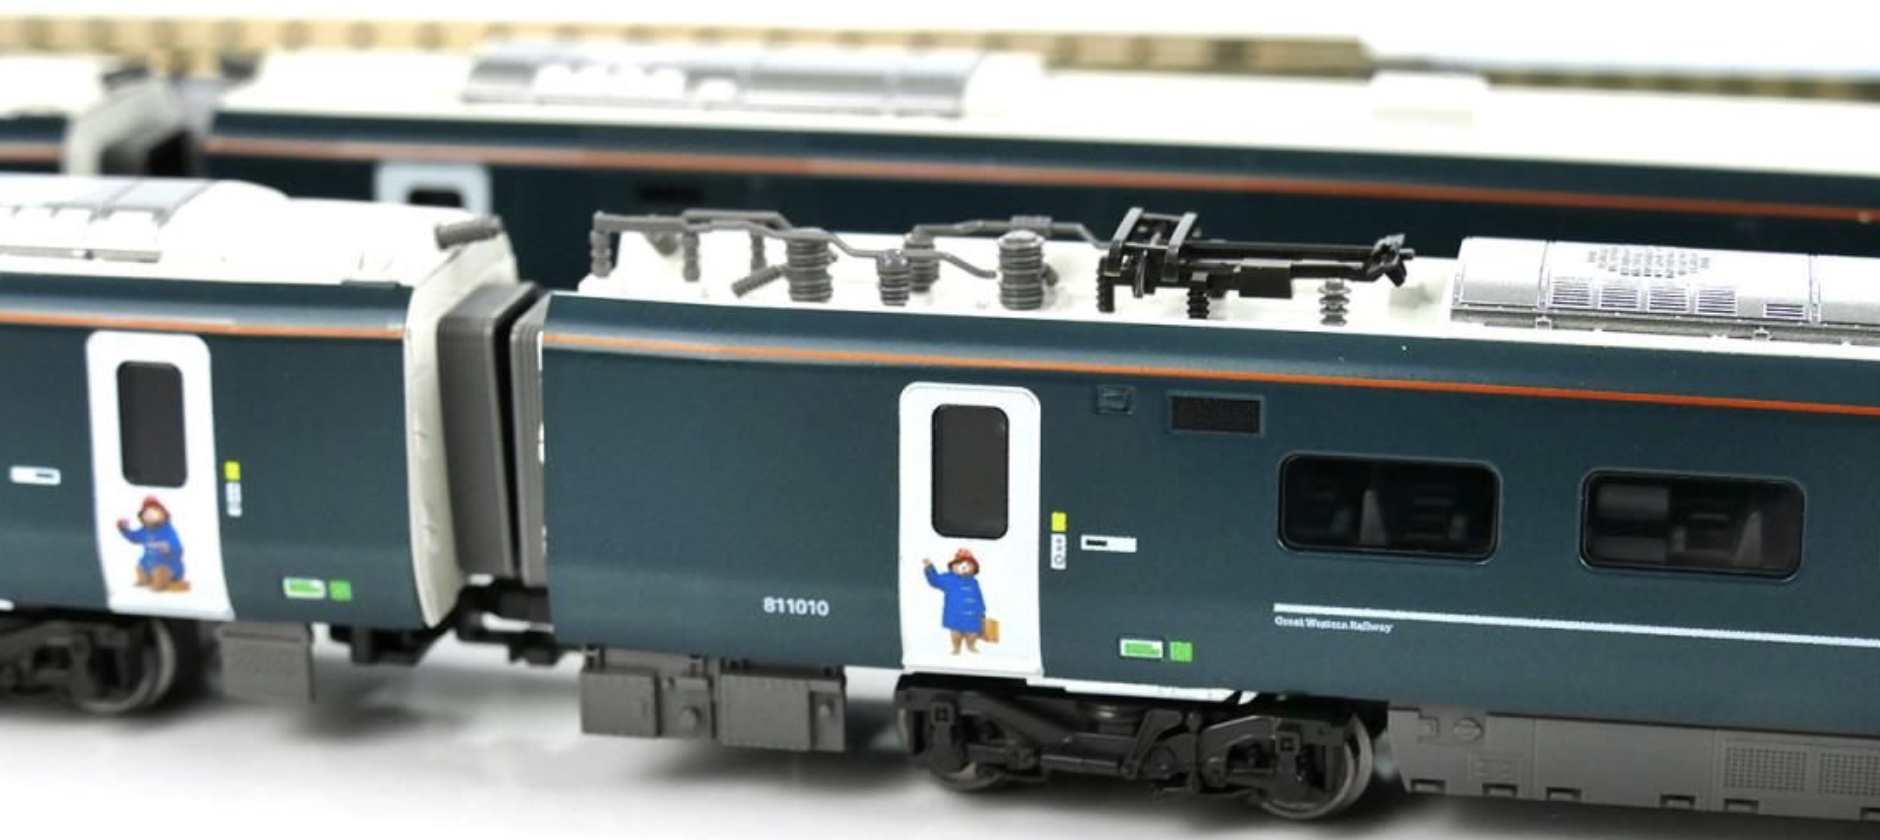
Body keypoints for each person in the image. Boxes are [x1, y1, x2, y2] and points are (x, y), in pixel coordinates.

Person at [117, 496, 188, 593]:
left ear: (162, 514)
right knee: (140, 567)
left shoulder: (167, 529)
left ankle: (163, 583)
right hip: (148, 563)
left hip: (167, 564)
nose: (150, 515)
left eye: (154, 512)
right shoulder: (144, 530)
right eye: (146, 513)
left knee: (161, 571)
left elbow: (177, 545)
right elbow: (134, 538)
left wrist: (169, 546)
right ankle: (145, 580)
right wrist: (124, 529)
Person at [923, 548, 985, 655]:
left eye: (969, 564)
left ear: (974, 569)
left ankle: (971, 646)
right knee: (956, 633)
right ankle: (956, 648)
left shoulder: (974, 582)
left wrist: (982, 610)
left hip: (972, 615)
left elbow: (979, 596)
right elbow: (935, 580)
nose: (964, 566)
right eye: (960, 564)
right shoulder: (949, 579)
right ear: (953, 567)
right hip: (955, 614)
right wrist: (930, 568)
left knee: (973, 633)